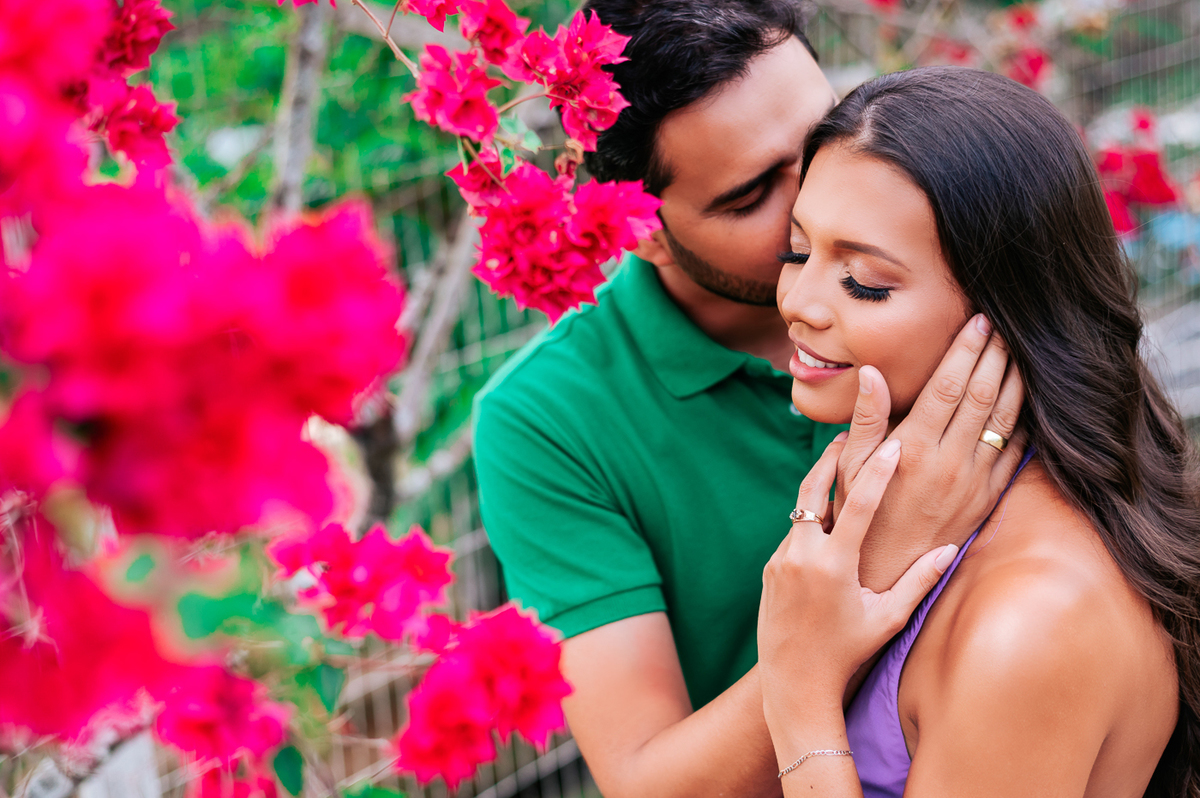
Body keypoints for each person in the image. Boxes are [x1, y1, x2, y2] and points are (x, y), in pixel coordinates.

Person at [472, 3, 1023, 795]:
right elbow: (647, 781)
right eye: (754, 194)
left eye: (823, 136)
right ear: (641, 230)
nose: (825, 200)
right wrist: (872, 567)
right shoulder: (548, 420)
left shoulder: (941, 254)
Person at [759, 66, 1200, 797]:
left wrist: (799, 693)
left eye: (864, 280)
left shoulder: (1030, 622)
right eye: (798, 251)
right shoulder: (931, 507)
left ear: (1006, 306)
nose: (799, 303)